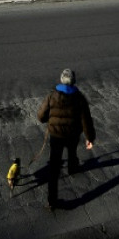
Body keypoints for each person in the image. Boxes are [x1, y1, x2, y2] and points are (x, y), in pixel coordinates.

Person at [37, 68, 96, 210]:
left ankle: (52, 201)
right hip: (73, 134)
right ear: (74, 81)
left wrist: (49, 119)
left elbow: (41, 116)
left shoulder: (52, 96)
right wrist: (90, 138)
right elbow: (86, 120)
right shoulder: (79, 98)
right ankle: (72, 168)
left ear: (61, 80)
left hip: (56, 135)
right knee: (72, 152)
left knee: (54, 167)